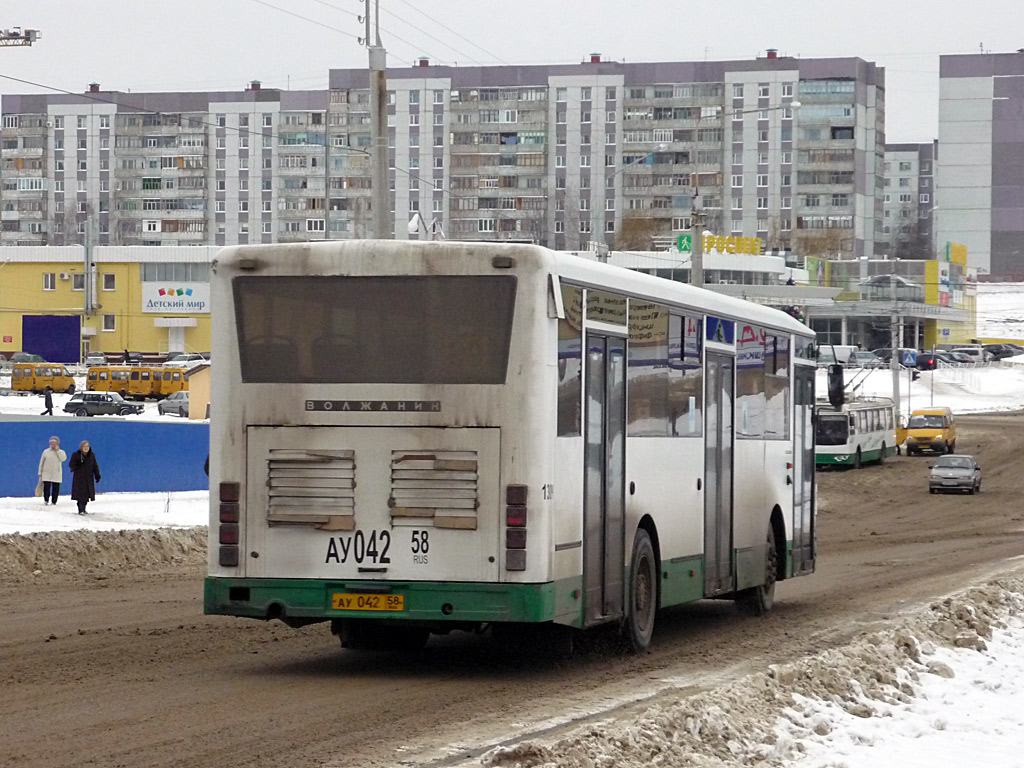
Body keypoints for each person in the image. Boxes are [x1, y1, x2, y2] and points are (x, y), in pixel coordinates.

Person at [69, 440, 101, 515]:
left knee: (87, 495)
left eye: (87, 446)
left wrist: (97, 475)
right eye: (84, 446)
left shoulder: (92, 455)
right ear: (81, 447)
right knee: (80, 495)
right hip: (79, 479)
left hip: (88, 478)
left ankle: (84, 508)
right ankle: (81, 509)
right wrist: (76, 468)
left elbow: (95, 466)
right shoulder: (76, 455)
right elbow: (72, 464)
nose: (86, 448)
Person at [38, 436, 66, 505]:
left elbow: (63, 459)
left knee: (56, 488)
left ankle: (54, 501)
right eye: (52, 443)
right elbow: (41, 462)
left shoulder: (61, 452)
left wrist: (58, 451)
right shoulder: (46, 452)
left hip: (57, 473)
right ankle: (46, 500)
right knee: (46, 487)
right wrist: (40, 473)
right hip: (46, 473)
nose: (53, 445)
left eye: (55, 443)